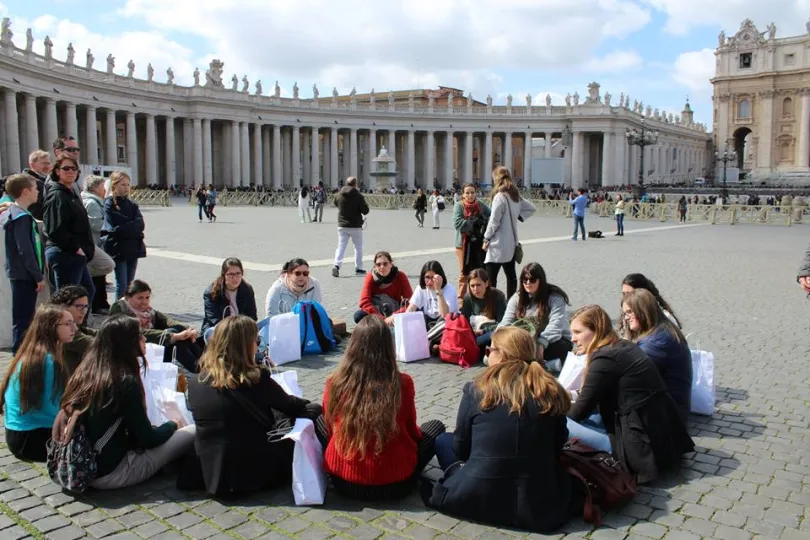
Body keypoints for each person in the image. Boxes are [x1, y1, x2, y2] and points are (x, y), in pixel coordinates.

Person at [424, 326, 580, 533]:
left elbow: (462, 447)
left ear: (503, 355)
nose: (487, 354)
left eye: (490, 350)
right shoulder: (550, 389)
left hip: (477, 487)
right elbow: (558, 442)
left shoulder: (478, 389)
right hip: (536, 498)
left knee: (443, 439)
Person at [183, 316, 322, 496]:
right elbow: (293, 406)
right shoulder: (255, 379)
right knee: (312, 410)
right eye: (257, 341)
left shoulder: (195, 381)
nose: (258, 346)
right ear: (246, 346)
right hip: (251, 469)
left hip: (207, 470)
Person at [54, 314, 195, 490]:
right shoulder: (125, 381)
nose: (145, 339)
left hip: (78, 462)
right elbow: (148, 439)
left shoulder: (86, 371)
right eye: (140, 335)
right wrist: (172, 425)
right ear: (127, 343)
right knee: (193, 431)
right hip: (109, 472)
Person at [317, 316, 445, 500]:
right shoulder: (402, 383)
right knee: (435, 427)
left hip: (344, 483)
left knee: (319, 419)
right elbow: (411, 430)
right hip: (395, 485)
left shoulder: (334, 382)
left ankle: (345, 459)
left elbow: (330, 427)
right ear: (388, 346)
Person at [566, 305, 694, 484]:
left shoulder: (604, 358)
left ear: (596, 330)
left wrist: (553, 405)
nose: (573, 338)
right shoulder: (622, 346)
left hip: (637, 444)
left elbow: (579, 412)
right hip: (658, 435)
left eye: (578, 332)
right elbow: (592, 398)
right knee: (589, 417)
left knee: (560, 421)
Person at [0, 305, 74, 461]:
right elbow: (54, 410)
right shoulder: (49, 361)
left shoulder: (31, 353)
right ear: (51, 327)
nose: (74, 328)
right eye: (68, 324)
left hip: (16, 434)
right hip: (33, 438)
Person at [622, 289, 692, 423]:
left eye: (630, 312)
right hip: (672, 409)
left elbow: (630, 380)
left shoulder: (654, 344)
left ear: (643, 311)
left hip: (663, 419)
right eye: (625, 313)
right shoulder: (663, 329)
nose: (626, 317)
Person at [110, 280, 203, 374]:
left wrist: (188, 329)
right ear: (128, 297)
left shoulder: (148, 310)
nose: (144, 302)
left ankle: (203, 363)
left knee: (178, 329)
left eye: (147, 297)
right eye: (140, 298)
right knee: (174, 334)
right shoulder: (119, 309)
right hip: (133, 350)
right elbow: (137, 332)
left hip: (151, 347)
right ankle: (199, 367)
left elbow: (165, 320)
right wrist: (173, 336)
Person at [1, 174, 46, 353]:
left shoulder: (15, 212)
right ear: (25, 191)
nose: (38, 192)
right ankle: (20, 354)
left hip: (18, 272)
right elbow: (25, 250)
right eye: (35, 189)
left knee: (23, 315)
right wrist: (37, 275)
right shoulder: (22, 217)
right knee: (23, 318)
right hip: (25, 274)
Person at [43, 155, 96, 301]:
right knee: (69, 299)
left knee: (87, 291)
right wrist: (77, 249)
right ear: (57, 171)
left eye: (74, 168)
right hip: (65, 253)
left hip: (75, 254)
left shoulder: (71, 193)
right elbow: (55, 229)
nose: (71, 171)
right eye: (66, 168)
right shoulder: (57, 195)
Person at [499, 262, 572, 369]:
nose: (528, 283)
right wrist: (497, 339)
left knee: (558, 348)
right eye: (525, 280)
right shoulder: (517, 298)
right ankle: (544, 364)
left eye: (532, 280)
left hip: (554, 339)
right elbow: (506, 321)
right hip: (528, 340)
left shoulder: (555, 298)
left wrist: (542, 343)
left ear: (540, 281)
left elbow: (556, 325)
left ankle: (535, 363)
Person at [482, 166, 536, 298]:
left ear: (496, 179)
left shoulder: (499, 196)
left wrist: (486, 238)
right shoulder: (515, 196)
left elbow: (494, 222)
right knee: (511, 276)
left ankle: (492, 303)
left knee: (491, 278)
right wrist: (519, 216)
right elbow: (532, 208)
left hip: (497, 243)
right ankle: (511, 303)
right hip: (511, 242)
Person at [102, 172, 146, 302]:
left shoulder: (132, 204)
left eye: (128, 184)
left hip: (133, 247)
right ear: (114, 186)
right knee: (121, 284)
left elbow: (140, 224)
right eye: (123, 185)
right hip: (118, 248)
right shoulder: (109, 203)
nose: (126, 188)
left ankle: (129, 307)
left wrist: (127, 226)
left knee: (130, 285)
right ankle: (119, 310)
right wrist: (131, 226)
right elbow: (113, 228)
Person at [81, 175, 116, 314]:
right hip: (94, 243)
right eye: (102, 187)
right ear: (95, 188)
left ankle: (100, 304)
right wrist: (111, 226)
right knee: (98, 275)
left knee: (99, 277)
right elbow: (97, 224)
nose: (104, 189)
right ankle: (99, 305)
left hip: (94, 243)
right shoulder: (92, 203)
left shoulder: (91, 200)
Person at [453, 183, 491, 303]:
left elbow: (491, 216)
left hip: (478, 244)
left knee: (479, 271)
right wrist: (472, 223)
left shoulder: (480, 205)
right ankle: (461, 300)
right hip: (463, 244)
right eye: (467, 193)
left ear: (476, 193)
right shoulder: (459, 206)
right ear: (463, 194)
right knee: (464, 272)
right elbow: (457, 223)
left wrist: (483, 222)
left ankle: (479, 297)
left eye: (472, 192)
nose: (470, 195)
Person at [202, 258, 258, 335]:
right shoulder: (211, 292)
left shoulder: (247, 289)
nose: (235, 278)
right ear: (224, 275)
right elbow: (214, 320)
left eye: (238, 273)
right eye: (231, 274)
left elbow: (252, 316)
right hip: (218, 330)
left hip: (241, 329)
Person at [355, 251, 413, 324]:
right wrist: (382, 319)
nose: (382, 267)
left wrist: (394, 316)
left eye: (385, 264)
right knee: (358, 315)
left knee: (417, 310)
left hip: (395, 309)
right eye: (378, 264)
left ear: (391, 264)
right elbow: (364, 302)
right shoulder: (370, 277)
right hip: (376, 310)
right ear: (375, 266)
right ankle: (377, 329)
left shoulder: (400, 276)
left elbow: (410, 301)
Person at [460, 269, 507, 357]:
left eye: (478, 285)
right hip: (474, 333)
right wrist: (473, 332)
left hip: (493, 332)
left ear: (486, 284)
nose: (475, 289)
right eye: (472, 286)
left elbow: (503, 323)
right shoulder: (468, 297)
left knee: (494, 336)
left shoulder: (498, 296)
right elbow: (464, 321)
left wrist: (484, 330)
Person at [50, 285, 96, 373]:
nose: (84, 311)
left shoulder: (74, 326)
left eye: (86, 307)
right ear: (64, 307)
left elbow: (94, 332)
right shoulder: (61, 329)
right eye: (79, 306)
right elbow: (96, 344)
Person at [332, 177, 369, 278]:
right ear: (355, 184)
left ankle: (336, 265)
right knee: (358, 247)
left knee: (341, 247)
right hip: (355, 226)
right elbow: (365, 211)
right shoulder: (358, 196)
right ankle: (359, 268)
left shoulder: (339, 194)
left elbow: (335, 203)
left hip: (342, 225)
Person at [406, 260, 459, 325]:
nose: (430, 282)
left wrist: (438, 290)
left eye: (433, 278)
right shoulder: (421, 288)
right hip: (429, 322)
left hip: (446, 324)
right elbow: (411, 309)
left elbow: (445, 315)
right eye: (427, 277)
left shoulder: (449, 290)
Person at [21, 149, 51, 220]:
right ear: (32, 164)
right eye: (44, 163)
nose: (47, 166)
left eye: (48, 163)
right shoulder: (29, 182)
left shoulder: (45, 179)